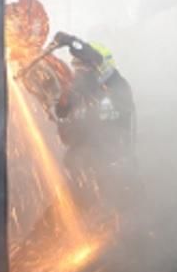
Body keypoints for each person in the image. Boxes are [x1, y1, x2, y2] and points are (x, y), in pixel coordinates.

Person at [51, 31, 138, 209]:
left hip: (116, 177)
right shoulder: (79, 92)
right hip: (83, 177)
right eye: (77, 68)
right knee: (64, 213)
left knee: (120, 216)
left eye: (85, 68)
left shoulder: (117, 86)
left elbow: (102, 76)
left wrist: (75, 44)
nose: (80, 73)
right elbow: (62, 113)